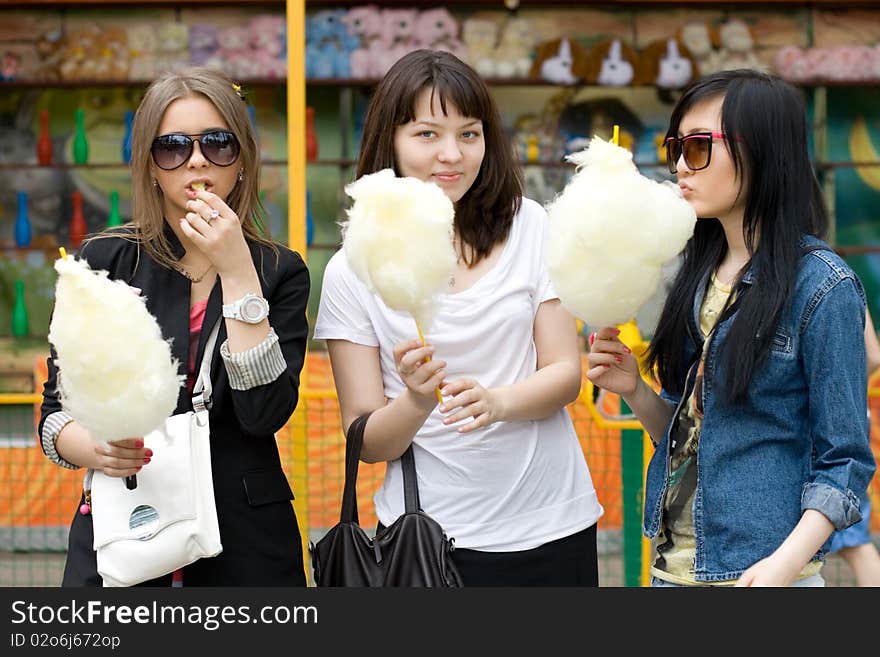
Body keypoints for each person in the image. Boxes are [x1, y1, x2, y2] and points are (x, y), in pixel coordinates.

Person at [314, 49, 604, 586]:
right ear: (390, 142)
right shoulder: (352, 269)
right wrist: (417, 400)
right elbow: (368, 440)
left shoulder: (532, 228)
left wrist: (498, 402)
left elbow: (566, 373)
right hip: (427, 542)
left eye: (469, 134)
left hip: (553, 523)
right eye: (427, 134)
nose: (452, 154)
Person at [586, 69, 876, 587]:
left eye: (699, 147)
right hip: (671, 569)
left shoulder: (824, 286)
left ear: (762, 152)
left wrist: (781, 568)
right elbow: (690, 439)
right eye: (677, 145)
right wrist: (634, 389)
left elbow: (846, 460)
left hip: (763, 575)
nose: (679, 165)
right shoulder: (695, 275)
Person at [38, 67, 310, 586]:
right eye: (173, 148)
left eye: (217, 143)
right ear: (151, 166)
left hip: (244, 542)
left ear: (242, 161)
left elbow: (264, 414)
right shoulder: (104, 260)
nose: (197, 160)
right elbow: (55, 414)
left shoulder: (280, 271)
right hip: (126, 525)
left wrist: (237, 272)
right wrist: (95, 448)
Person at [827, 307, 880, 586]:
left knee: (853, 541)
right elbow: (872, 355)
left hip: (828, 432)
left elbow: (873, 356)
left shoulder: (827, 277)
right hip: (845, 423)